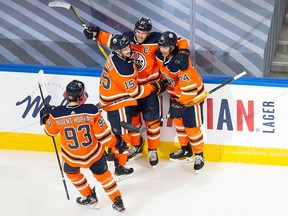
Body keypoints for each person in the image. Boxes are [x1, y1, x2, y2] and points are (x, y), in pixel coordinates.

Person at [84, 17, 189, 167]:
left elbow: (181, 40)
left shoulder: (156, 39)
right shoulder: (126, 38)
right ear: (134, 30)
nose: (140, 36)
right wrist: (96, 32)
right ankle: (136, 146)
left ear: (149, 32)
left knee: (152, 123)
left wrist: (184, 52)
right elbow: (110, 40)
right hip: (131, 90)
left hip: (150, 88)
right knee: (132, 122)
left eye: (144, 33)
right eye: (138, 32)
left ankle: (152, 150)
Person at [39, 80, 127, 213]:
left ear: (66, 95)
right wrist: (118, 143)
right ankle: (117, 201)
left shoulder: (57, 113)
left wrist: (46, 117)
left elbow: (49, 132)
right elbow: (104, 137)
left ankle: (89, 196)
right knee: (104, 177)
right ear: (81, 96)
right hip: (94, 155)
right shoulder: (91, 110)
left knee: (70, 172)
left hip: (72, 158)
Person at [97, 34, 167, 178]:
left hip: (111, 102)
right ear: (117, 51)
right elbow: (136, 92)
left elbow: (110, 41)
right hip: (119, 103)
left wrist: (98, 33)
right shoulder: (124, 69)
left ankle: (117, 159)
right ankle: (120, 167)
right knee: (123, 138)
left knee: (121, 135)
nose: (129, 50)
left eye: (128, 47)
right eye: (125, 49)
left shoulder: (115, 56)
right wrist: (155, 87)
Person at [156, 31, 206, 173]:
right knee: (179, 124)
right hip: (177, 96)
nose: (162, 49)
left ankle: (199, 155)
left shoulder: (181, 64)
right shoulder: (162, 55)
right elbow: (182, 39)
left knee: (191, 128)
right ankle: (185, 150)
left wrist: (180, 104)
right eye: (161, 46)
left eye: (166, 47)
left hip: (192, 98)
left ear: (172, 48)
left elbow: (190, 91)